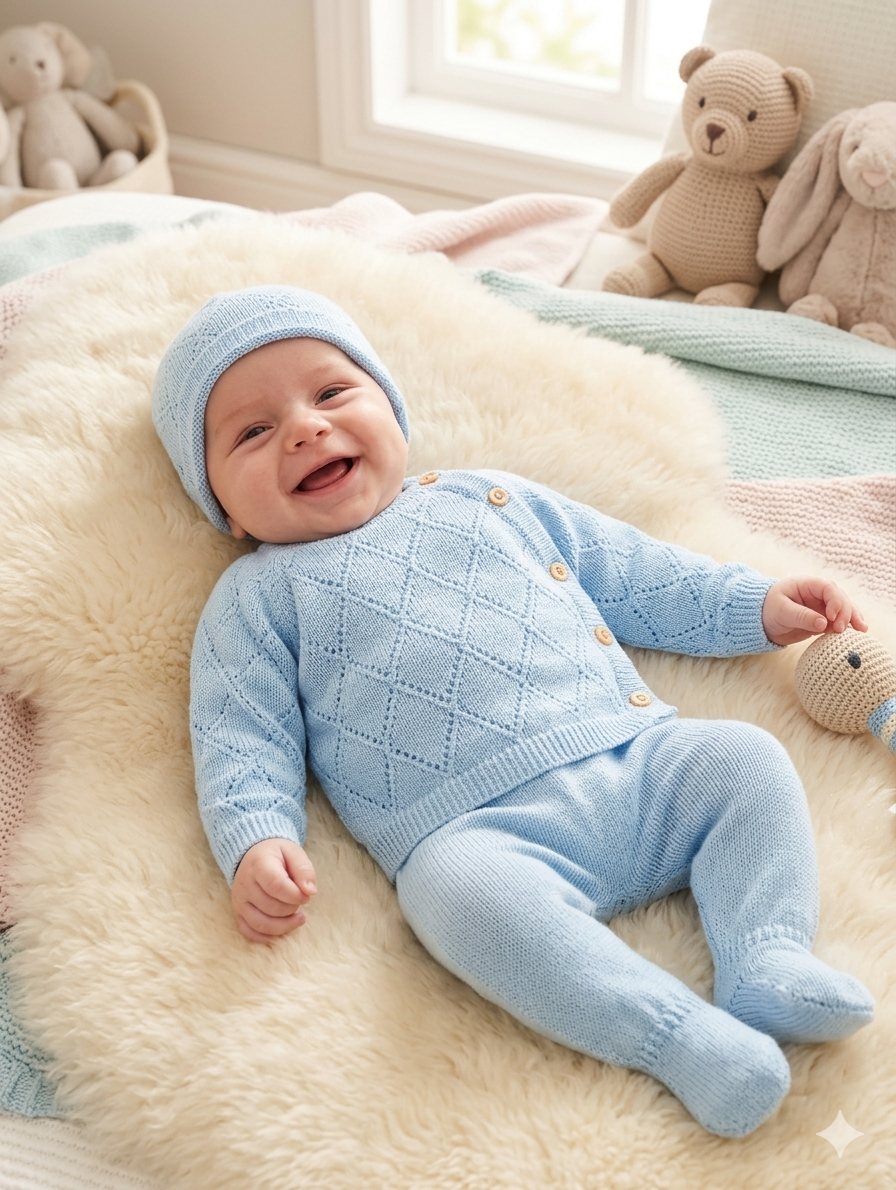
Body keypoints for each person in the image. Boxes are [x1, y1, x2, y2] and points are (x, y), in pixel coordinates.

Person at [152, 285, 874, 1138]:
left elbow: (638, 575)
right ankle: (678, 1039)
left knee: (744, 760)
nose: (306, 428)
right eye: (253, 432)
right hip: (475, 834)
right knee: (458, 906)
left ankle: (766, 956)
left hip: (633, 759)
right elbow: (240, 733)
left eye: (333, 393)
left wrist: (753, 606)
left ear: (393, 407)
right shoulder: (257, 598)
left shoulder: (487, 500)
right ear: (222, 509)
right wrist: (256, 839)